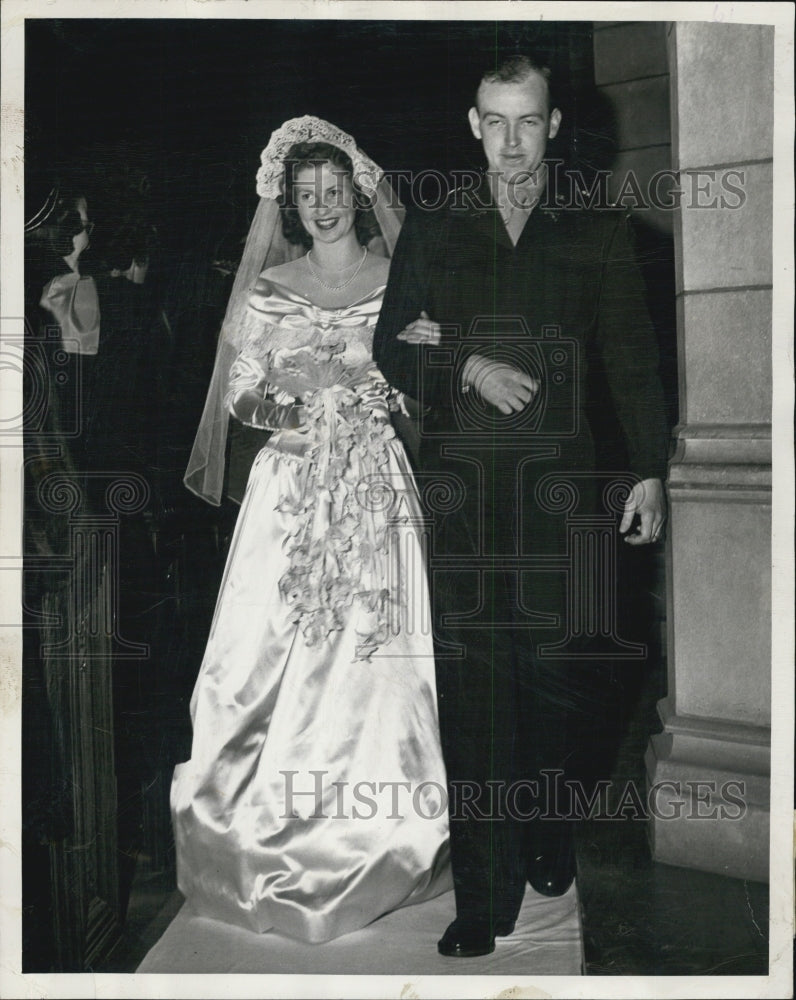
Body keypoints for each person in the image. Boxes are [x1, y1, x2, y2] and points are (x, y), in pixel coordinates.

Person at [373, 54, 669, 958]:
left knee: (553, 692)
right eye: (494, 122)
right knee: (474, 696)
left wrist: (651, 472)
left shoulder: (599, 230)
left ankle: (544, 827)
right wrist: (465, 360)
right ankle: (482, 892)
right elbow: (393, 344)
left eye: (527, 121)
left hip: (562, 498)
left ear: (551, 127)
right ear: (473, 125)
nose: (510, 141)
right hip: (462, 497)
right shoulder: (435, 224)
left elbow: (627, 358)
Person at [172, 117, 451, 943]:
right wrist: (295, 404)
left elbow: (418, 380)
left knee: (376, 661)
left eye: (333, 191)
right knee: (264, 654)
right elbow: (239, 393)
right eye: (306, 195)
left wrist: (380, 397)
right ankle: (260, 823)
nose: (323, 206)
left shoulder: (399, 275)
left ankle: (388, 829)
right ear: (288, 205)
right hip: (290, 488)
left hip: (373, 489)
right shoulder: (269, 287)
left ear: (357, 193)